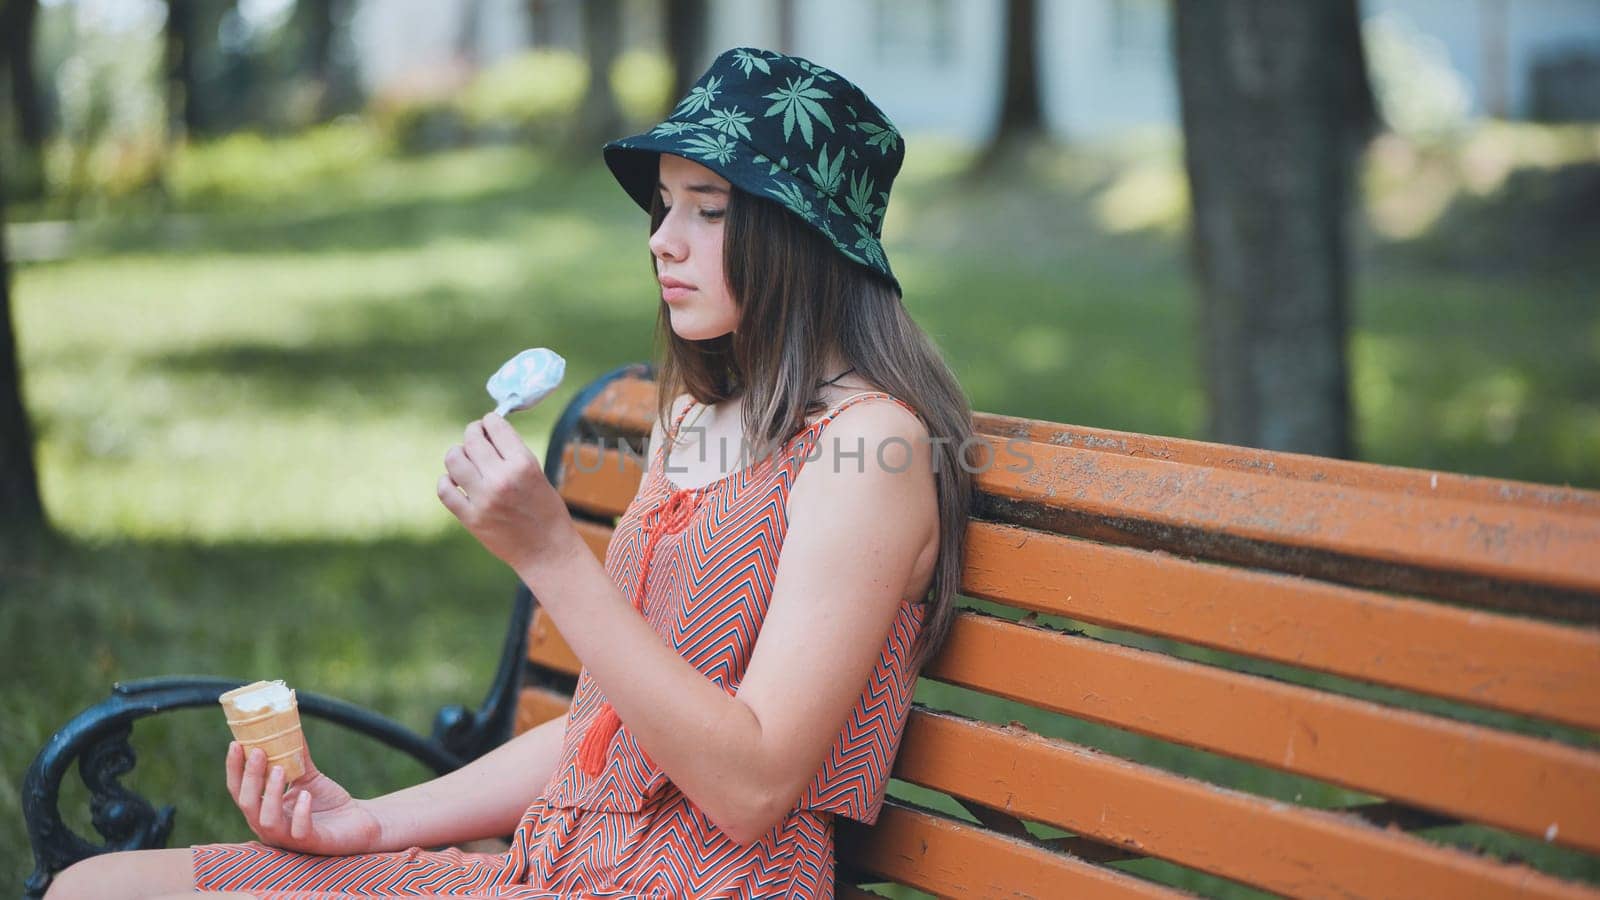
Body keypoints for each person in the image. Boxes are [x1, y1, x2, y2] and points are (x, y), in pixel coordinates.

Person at [45, 46, 976, 900]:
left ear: (805, 237)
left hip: (701, 884)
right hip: (553, 870)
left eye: (710, 207)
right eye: (664, 204)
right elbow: (606, 734)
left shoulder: (871, 452)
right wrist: (369, 823)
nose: (662, 237)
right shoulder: (695, 415)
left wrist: (552, 557)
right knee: (97, 890)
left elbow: (753, 788)